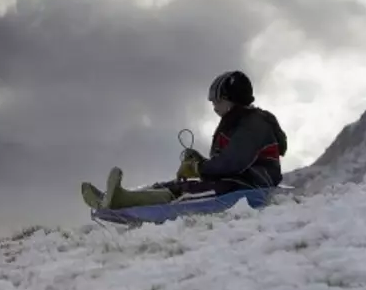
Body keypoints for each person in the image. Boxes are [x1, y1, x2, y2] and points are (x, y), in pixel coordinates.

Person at [81, 70, 287, 210]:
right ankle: (114, 196)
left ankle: (122, 201)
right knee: (171, 184)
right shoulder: (237, 122)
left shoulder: (254, 124)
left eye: (218, 100)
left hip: (250, 186)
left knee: (185, 192)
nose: (214, 106)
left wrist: (198, 168)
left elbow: (232, 163)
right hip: (236, 180)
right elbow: (225, 162)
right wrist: (196, 160)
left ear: (232, 101)